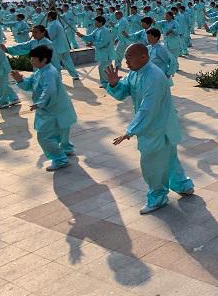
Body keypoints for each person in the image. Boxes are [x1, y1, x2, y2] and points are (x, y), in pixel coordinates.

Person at [106, 43, 194, 214]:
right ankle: (183, 185)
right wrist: (115, 84)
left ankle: (158, 197)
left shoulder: (154, 76)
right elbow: (123, 91)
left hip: (157, 128)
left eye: (129, 58)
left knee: (152, 165)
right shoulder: (135, 73)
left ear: (143, 57)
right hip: (157, 126)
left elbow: (148, 108)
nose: (126, 62)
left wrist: (130, 130)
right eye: (125, 58)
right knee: (169, 158)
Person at [11, 45, 77, 170]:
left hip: (52, 110)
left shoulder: (49, 73)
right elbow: (30, 84)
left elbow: (49, 90)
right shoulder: (41, 71)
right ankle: (66, 149)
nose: (31, 61)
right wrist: (20, 80)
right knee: (62, 131)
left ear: (44, 59)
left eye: (34, 59)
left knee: (44, 137)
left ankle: (60, 159)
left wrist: (40, 103)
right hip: (58, 109)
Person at [77, 16, 114, 88]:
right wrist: (82, 36)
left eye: (96, 22)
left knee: (103, 68)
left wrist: (93, 43)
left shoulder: (105, 31)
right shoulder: (98, 30)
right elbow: (91, 37)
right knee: (104, 68)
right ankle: (107, 82)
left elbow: (103, 43)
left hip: (106, 53)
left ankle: (106, 82)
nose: (94, 23)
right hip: (102, 53)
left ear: (100, 23)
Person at [45, 11, 81, 80]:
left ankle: (58, 79)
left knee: (56, 64)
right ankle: (75, 75)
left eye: (47, 16)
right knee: (68, 61)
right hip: (64, 46)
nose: (47, 18)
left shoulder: (53, 25)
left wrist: (43, 34)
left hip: (58, 48)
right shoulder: (57, 22)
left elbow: (51, 36)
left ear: (50, 17)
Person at [0, 39, 19, 110]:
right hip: (0, 67)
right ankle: (14, 98)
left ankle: (3, 102)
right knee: (4, 84)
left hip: (0, 68)